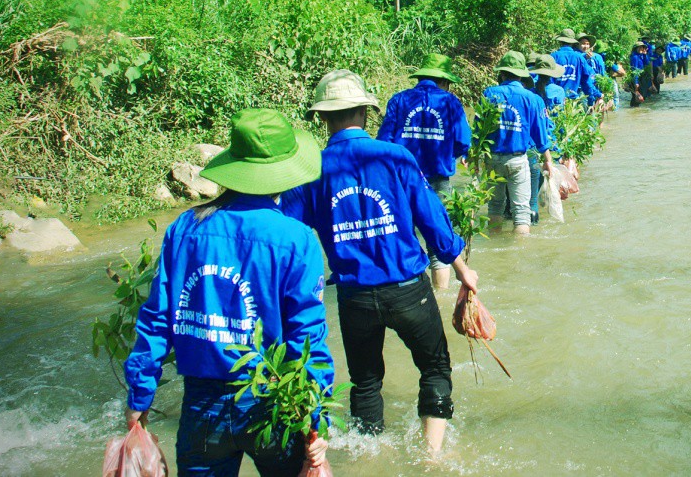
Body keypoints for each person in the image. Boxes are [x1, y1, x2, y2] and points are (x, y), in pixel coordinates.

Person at [125, 108, 332, 477]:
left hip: (202, 409)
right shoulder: (296, 239)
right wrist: (315, 421)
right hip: (272, 404)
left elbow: (157, 318)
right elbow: (306, 340)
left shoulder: (185, 227)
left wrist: (139, 396)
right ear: (282, 174)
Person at [281, 70, 479, 455]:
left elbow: (286, 231)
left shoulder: (313, 171)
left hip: (354, 297)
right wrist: (461, 268)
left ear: (323, 118)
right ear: (367, 114)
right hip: (408, 290)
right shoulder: (395, 157)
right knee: (435, 369)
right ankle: (432, 457)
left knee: (366, 383)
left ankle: (368, 455)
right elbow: (431, 217)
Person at [376, 52, 471, 288]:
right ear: (445, 81)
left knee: (404, 239)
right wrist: (446, 153)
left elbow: (384, 141)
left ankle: (410, 292)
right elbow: (463, 141)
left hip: (399, 182)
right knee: (440, 243)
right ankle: (441, 298)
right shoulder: (451, 102)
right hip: (437, 180)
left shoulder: (398, 100)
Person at [483, 51, 556, 235]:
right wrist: (548, 159)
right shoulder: (533, 98)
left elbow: (479, 127)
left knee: (495, 207)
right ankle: (520, 256)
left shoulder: (489, 93)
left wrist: (473, 155)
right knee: (522, 212)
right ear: (522, 73)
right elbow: (539, 134)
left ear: (502, 73)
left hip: (492, 159)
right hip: (517, 159)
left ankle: (495, 246)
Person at [526, 52, 565, 225]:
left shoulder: (529, 93)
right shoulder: (558, 91)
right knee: (548, 185)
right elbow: (562, 121)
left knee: (531, 190)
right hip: (552, 144)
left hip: (533, 145)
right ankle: (538, 218)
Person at [550, 28, 602, 106]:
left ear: (560, 42)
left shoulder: (553, 57)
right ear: (572, 43)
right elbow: (586, 81)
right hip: (573, 103)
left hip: (556, 102)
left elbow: (547, 81)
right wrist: (592, 100)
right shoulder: (579, 58)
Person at [629, 41, 649, 106]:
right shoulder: (634, 57)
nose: (641, 49)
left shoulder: (641, 56)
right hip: (635, 78)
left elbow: (647, 63)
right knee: (636, 97)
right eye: (640, 48)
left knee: (640, 96)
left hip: (641, 77)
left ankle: (635, 111)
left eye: (642, 47)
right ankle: (633, 110)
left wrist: (645, 54)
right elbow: (635, 70)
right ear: (636, 48)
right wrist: (636, 82)